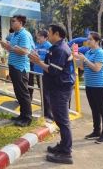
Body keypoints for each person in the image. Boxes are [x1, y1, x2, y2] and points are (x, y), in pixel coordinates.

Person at [28, 23, 75, 165]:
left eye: (49, 32)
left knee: (63, 121)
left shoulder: (61, 49)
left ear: (56, 34)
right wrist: (37, 59)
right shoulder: (55, 47)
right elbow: (48, 63)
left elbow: (54, 70)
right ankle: (63, 145)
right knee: (60, 120)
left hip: (61, 89)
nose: (47, 34)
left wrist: (39, 62)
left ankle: (66, 153)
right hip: (56, 88)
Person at [74, 32, 103, 144]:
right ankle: (96, 131)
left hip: (100, 85)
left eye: (90, 39)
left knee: (102, 110)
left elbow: (96, 68)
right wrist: (79, 59)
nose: (88, 41)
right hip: (89, 85)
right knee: (94, 109)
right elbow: (82, 68)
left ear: (97, 41)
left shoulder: (100, 53)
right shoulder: (89, 52)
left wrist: (84, 59)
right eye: (87, 39)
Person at [0, 14, 32, 127]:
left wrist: (10, 48)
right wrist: (7, 47)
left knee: (23, 93)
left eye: (13, 21)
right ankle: (22, 115)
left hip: (20, 67)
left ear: (20, 23)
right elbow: (13, 50)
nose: (11, 23)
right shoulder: (14, 35)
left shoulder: (24, 35)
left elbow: (24, 51)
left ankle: (27, 117)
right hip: (13, 65)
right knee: (18, 93)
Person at [34, 30, 53, 121]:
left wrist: (37, 57)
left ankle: (50, 114)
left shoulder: (49, 47)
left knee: (46, 94)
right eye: (38, 36)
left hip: (44, 72)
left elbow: (48, 60)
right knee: (42, 93)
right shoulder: (38, 46)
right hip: (38, 72)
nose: (38, 37)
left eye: (40, 36)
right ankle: (45, 112)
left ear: (46, 38)